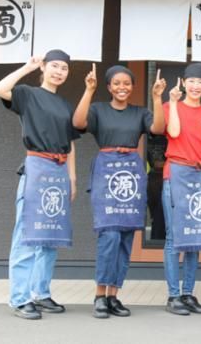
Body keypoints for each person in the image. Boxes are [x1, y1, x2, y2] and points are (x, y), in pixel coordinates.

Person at [73, 64, 166, 319]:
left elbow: (158, 129)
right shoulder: (98, 109)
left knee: (125, 238)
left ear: (133, 86)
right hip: (106, 172)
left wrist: (157, 98)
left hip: (131, 174)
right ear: (109, 86)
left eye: (126, 83)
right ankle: (99, 295)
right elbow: (78, 122)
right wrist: (88, 90)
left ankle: (113, 295)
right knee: (109, 235)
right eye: (116, 83)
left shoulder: (140, 112)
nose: (122, 87)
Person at [0, 49, 80, 320]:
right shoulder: (28, 94)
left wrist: (72, 178)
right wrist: (26, 68)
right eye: (54, 66)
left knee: (50, 236)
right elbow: (0, 89)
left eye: (64, 68)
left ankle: (40, 293)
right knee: (27, 235)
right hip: (36, 167)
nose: (59, 72)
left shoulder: (65, 105)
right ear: (43, 67)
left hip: (59, 171)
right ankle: (20, 298)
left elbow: (70, 143)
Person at [162, 63, 201, 315]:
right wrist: (173, 102)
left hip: (200, 174)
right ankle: (173, 295)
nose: (196, 86)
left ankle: (188, 293)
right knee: (174, 238)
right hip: (176, 172)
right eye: (191, 81)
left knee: (195, 237)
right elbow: (174, 131)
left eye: (200, 82)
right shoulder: (169, 107)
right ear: (183, 82)